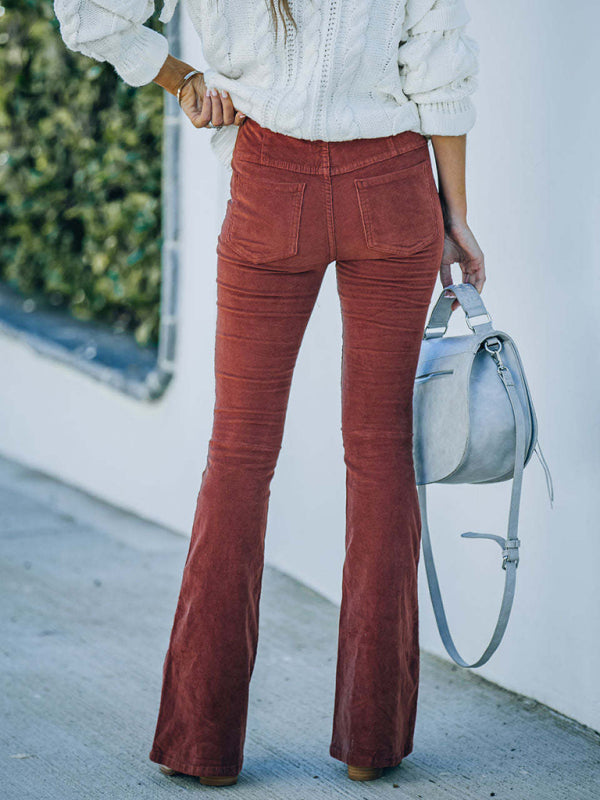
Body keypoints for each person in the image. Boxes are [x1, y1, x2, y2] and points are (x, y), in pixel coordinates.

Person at [53, 0, 485, 786]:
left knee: (239, 458)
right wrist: (457, 217)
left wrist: (183, 79)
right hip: (391, 187)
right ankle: (371, 742)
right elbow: (439, 64)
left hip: (268, 180)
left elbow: (86, 12)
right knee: (383, 455)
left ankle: (200, 745)